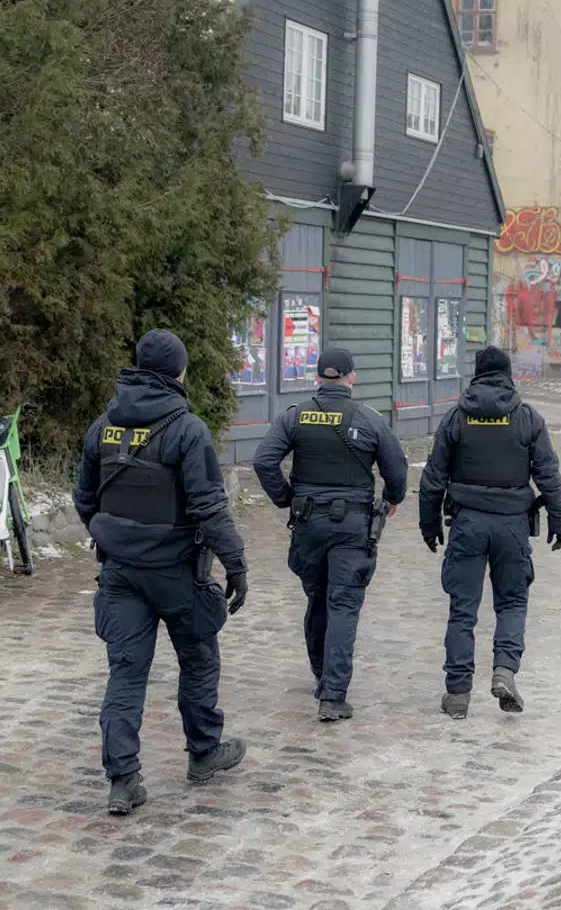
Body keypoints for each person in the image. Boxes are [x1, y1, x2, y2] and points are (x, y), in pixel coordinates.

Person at [72, 330, 249, 817]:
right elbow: (209, 505)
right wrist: (235, 561)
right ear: (179, 373)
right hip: (177, 571)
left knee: (125, 673)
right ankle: (204, 752)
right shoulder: (187, 429)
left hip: (120, 573)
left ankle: (123, 779)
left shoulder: (102, 427)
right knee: (198, 658)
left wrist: (115, 537)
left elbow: (84, 499)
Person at [252, 347, 408, 723]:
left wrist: (287, 499)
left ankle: (322, 672)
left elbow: (263, 460)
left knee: (318, 598)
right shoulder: (369, 419)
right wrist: (391, 499)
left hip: (308, 524)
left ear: (318, 377)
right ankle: (333, 696)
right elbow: (397, 468)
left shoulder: (296, 416)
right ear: (351, 378)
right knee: (344, 603)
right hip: (352, 527)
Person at [418, 347, 561, 719]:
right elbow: (548, 474)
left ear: (477, 374)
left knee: (462, 609)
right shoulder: (526, 418)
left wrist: (430, 524)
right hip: (512, 525)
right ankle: (504, 670)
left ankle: (457, 695)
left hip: (467, 524)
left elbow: (433, 477)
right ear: (507, 375)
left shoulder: (456, 417)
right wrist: (559, 519)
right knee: (512, 601)